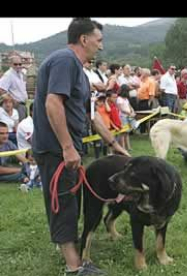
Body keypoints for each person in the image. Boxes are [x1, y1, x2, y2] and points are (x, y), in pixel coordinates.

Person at [32, 18, 129, 276]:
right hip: (56, 149)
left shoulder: (78, 70)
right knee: (64, 203)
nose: (101, 46)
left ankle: (67, 247)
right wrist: (66, 147)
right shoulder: (65, 61)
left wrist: (113, 143)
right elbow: (53, 103)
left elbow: (91, 115)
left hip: (67, 148)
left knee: (71, 202)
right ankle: (75, 267)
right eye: (99, 40)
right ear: (84, 39)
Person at [0, 55, 29, 121]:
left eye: (20, 64)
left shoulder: (20, 74)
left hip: (22, 105)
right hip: (15, 106)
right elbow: (1, 89)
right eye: (15, 64)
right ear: (11, 64)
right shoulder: (9, 75)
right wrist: (12, 101)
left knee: (22, 126)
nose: (18, 66)